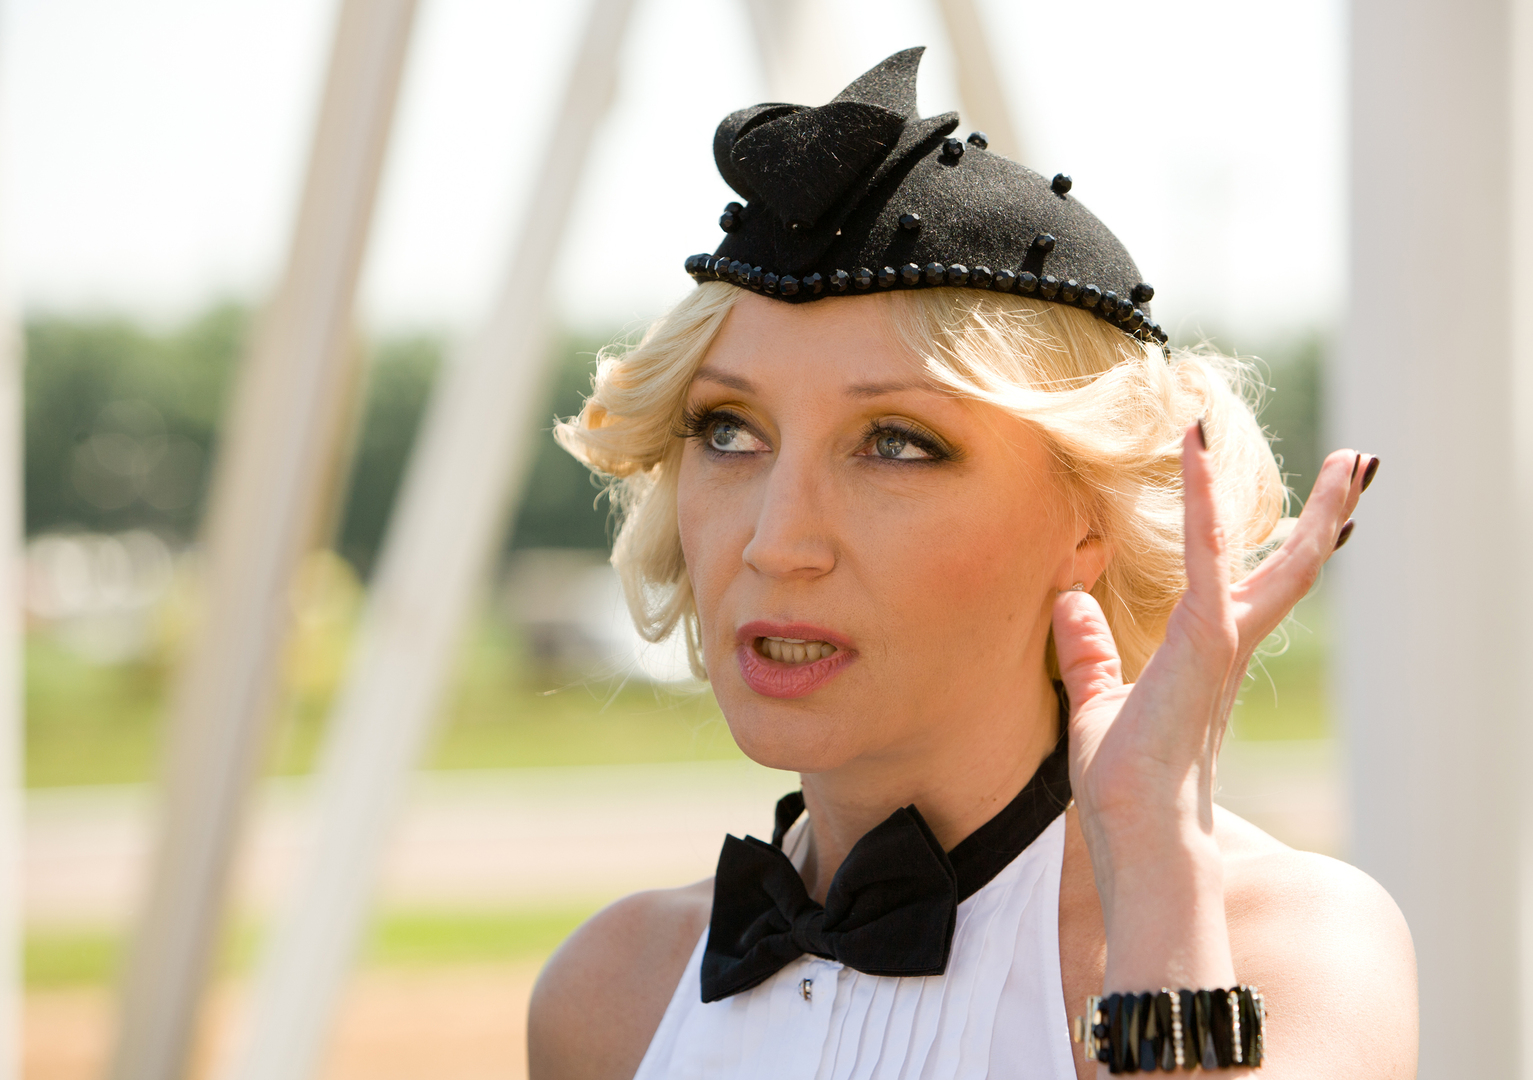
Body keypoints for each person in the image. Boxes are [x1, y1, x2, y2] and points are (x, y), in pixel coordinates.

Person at [528, 48, 1417, 1079]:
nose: (775, 542)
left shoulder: (1285, 949)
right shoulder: (612, 997)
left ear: (1087, 522)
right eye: (729, 431)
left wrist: (1154, 876)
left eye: (896, 444)